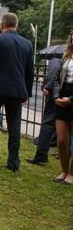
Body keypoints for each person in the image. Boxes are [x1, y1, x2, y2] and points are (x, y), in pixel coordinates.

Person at [0, 13, 34, 172]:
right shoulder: (27, 43)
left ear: (2, 25)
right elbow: (29, 71)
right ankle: (13, 161)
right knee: (14, 125)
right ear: (16, 25)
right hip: (17, 90)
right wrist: (27, 92)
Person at [26, 57, 61, 165]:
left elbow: (52, 74)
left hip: (57, 96)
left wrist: (47, 87)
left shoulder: (58, 59)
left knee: (48, 124)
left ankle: (41, 155)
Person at [51, 32, 73, 184]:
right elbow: (57, 79)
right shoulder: (67, 57)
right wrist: (56, 96)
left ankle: (71, 174)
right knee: (62, 140)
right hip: (62, 97)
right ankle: (64, 170)